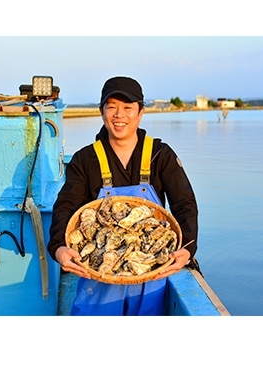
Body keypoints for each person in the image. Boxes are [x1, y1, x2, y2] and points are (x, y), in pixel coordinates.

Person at [47, 76, 198, 315]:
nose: (119, 115)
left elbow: (185, 204)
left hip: (151, 275)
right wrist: (58, 247)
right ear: (101, 111)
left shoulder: (161, 155)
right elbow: (66, 206)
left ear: (140, 113)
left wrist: (187, 249)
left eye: (128, 108)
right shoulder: (85, 159)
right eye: (112, 107)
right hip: (98, 279)